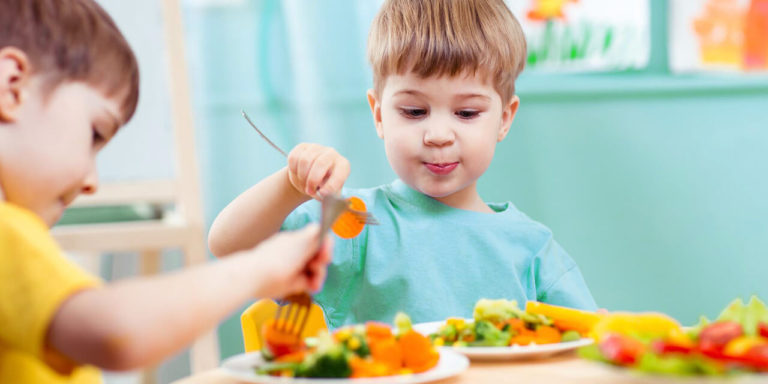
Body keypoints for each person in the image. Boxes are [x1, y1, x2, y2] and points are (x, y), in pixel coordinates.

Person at [209, 0, 596, 329]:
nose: (438, 134)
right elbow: (230, 246)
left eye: (466, 112)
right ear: (379, 114)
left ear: (504, 119)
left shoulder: (531, 247)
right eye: (414, 111)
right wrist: (290, 187)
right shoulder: (356, 227)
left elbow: (588, 341)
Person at [0, 1, 332, 382]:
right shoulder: (6, 232)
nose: (92, 180)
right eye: (94, 134)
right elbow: (116, 333)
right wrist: (259, 268)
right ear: (12, 87)